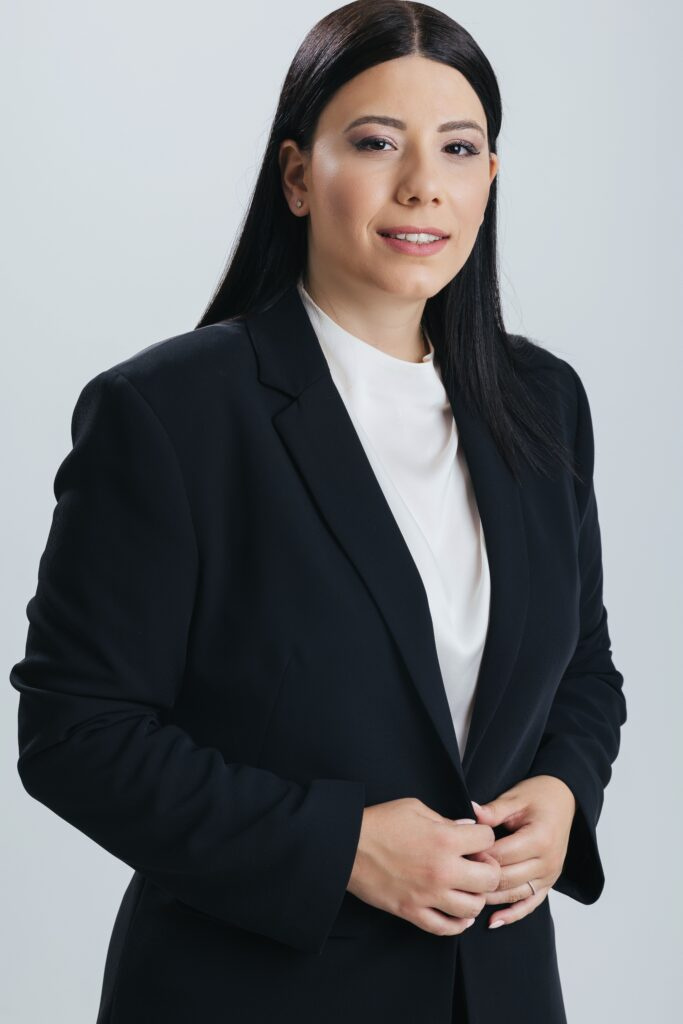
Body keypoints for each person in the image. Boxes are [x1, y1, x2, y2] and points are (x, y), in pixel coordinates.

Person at [8, 2, 627, 1022]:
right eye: (376, 142)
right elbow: (75, 731)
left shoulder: (541, 401)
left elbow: (582, 665)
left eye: (457, 148)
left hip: (500, 991)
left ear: (489, 178)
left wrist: (563, 791)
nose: (421, 183)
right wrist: (339, 847)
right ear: (296, 176)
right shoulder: (169, 413)